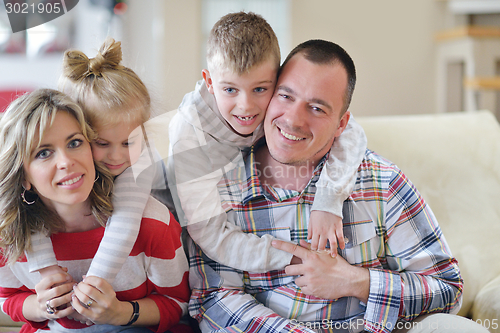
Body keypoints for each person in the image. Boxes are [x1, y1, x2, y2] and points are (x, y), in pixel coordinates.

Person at [187, 40, 488, 333]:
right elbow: (213, 298)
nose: (293, 119)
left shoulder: (381, 181)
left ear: (342, 124)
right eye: (286, 96)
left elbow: (447, 287)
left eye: (317, 108)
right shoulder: (221, 186)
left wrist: (356, 282)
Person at [167, 11, 367, 274]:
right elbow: (210, 236)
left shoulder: (281, 108)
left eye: (260, 89)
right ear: (209, 82)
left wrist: (328, 200)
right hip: (179, 240)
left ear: (277, 79)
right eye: (230, 90)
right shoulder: (189, 134)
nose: (246, 107)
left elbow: (349, 132)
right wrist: (297, 259)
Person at [0, 89, 190, 332]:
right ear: (24, 176)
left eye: (74, 143)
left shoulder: (151, 223)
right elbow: (8, 299)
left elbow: (179, 304)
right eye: (43, 153)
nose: (66, 161)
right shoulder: (9, 233)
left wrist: (121, 313)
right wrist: (40, 307)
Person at [25, 38, 165, 290]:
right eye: (101, 143)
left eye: (128, 143)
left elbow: (124, 225)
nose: (116, 156)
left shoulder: (138, 167)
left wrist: (95, 283)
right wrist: (48, 273)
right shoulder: (68, 165)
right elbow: (29, 212)